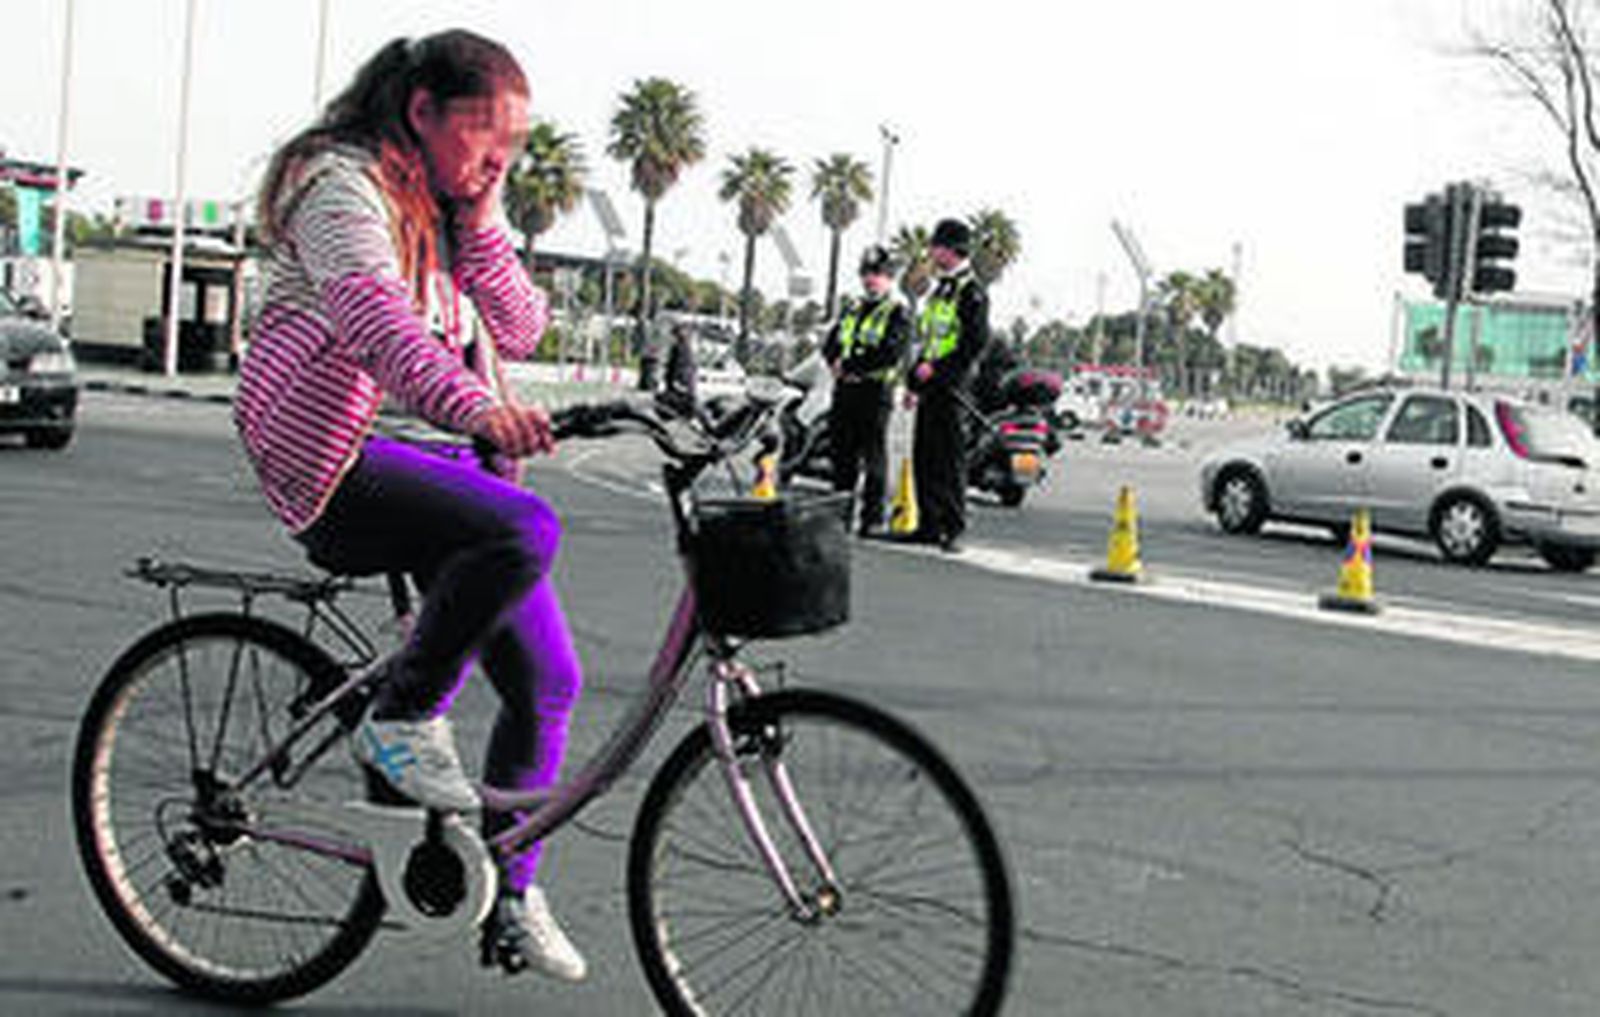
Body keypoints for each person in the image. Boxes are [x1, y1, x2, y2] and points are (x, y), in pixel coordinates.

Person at [233, 30, 586, 982]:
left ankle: (513, 896)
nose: (492, 163)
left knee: (547, 682)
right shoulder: (337, 185)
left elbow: (518, 323)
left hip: (438, 471)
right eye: (482, 142)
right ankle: (402, 718)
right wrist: (479, 408)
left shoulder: (449, 204)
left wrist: (484, 208)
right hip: (334, 460)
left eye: (508, 152)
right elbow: (374, 324)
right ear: (420, 111)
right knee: (527, 527)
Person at [903, 218, 990, 552]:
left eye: (936, 246)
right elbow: (928, 338)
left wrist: (937, 370)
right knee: (925, 455)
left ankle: (953, 528)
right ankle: (928, 524)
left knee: (950, 459)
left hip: (953, 387)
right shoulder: (942, 289)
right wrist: (915, 379)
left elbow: (974, 342)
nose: (931, 252)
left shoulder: (971, 290)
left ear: (952, 250)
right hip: (930, 385)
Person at [821, 245, 910, 535]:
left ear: (889, 279)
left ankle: (872, 518)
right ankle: (841, 515)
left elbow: (891, 352)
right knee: (841, 456)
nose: (871, 280)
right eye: (867, 274)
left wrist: (850, 366)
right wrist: (835, 360)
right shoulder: (852, 307)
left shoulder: (897, 312)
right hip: (845, 391)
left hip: (874, 391)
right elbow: (832, 342)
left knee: (873, 457)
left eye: (878, 275)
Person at [662, 321, 699, 417]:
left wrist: (674, 381)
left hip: (681, 383)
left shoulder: (681, 347)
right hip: (683, 382)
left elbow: (679, 366)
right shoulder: (685, 347)